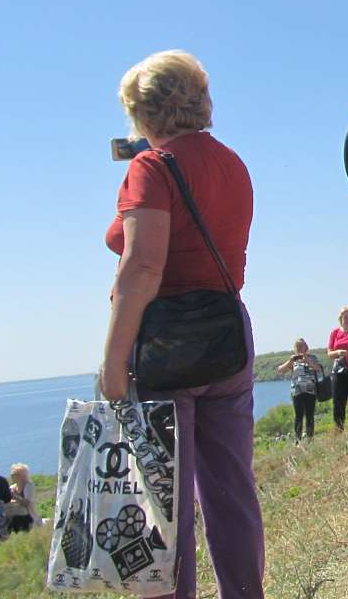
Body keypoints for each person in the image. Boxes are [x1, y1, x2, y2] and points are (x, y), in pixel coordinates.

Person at [101, 50, 264, 599]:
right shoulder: (231, 162)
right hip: (226, 330)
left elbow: (142, 265)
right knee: (231, 491)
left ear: (142, 111)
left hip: (166, 342)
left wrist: (112, 361)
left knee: (161, 502)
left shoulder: (150, 169)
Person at [276, 339, 324, 441]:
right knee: (298, 416)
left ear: (306, 347)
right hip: (297, 391)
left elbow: (318, 369)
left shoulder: (312, 357)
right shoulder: (293, 360)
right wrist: (290, 361)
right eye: (298, 347)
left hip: (310, 390)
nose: (300, 349)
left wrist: (308, 361)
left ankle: (310, 438)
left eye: (302, 346)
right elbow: (280, 370)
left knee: (309, 415)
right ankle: (298, 440)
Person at [6, 463, 39, 533]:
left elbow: (27, 503)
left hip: (28, 514)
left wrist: (15, 496)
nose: (11, 476)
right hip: (14, 512)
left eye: (14, 474)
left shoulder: (29, 485)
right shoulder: (12, 488)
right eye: (11, 474)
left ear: (21, 475)